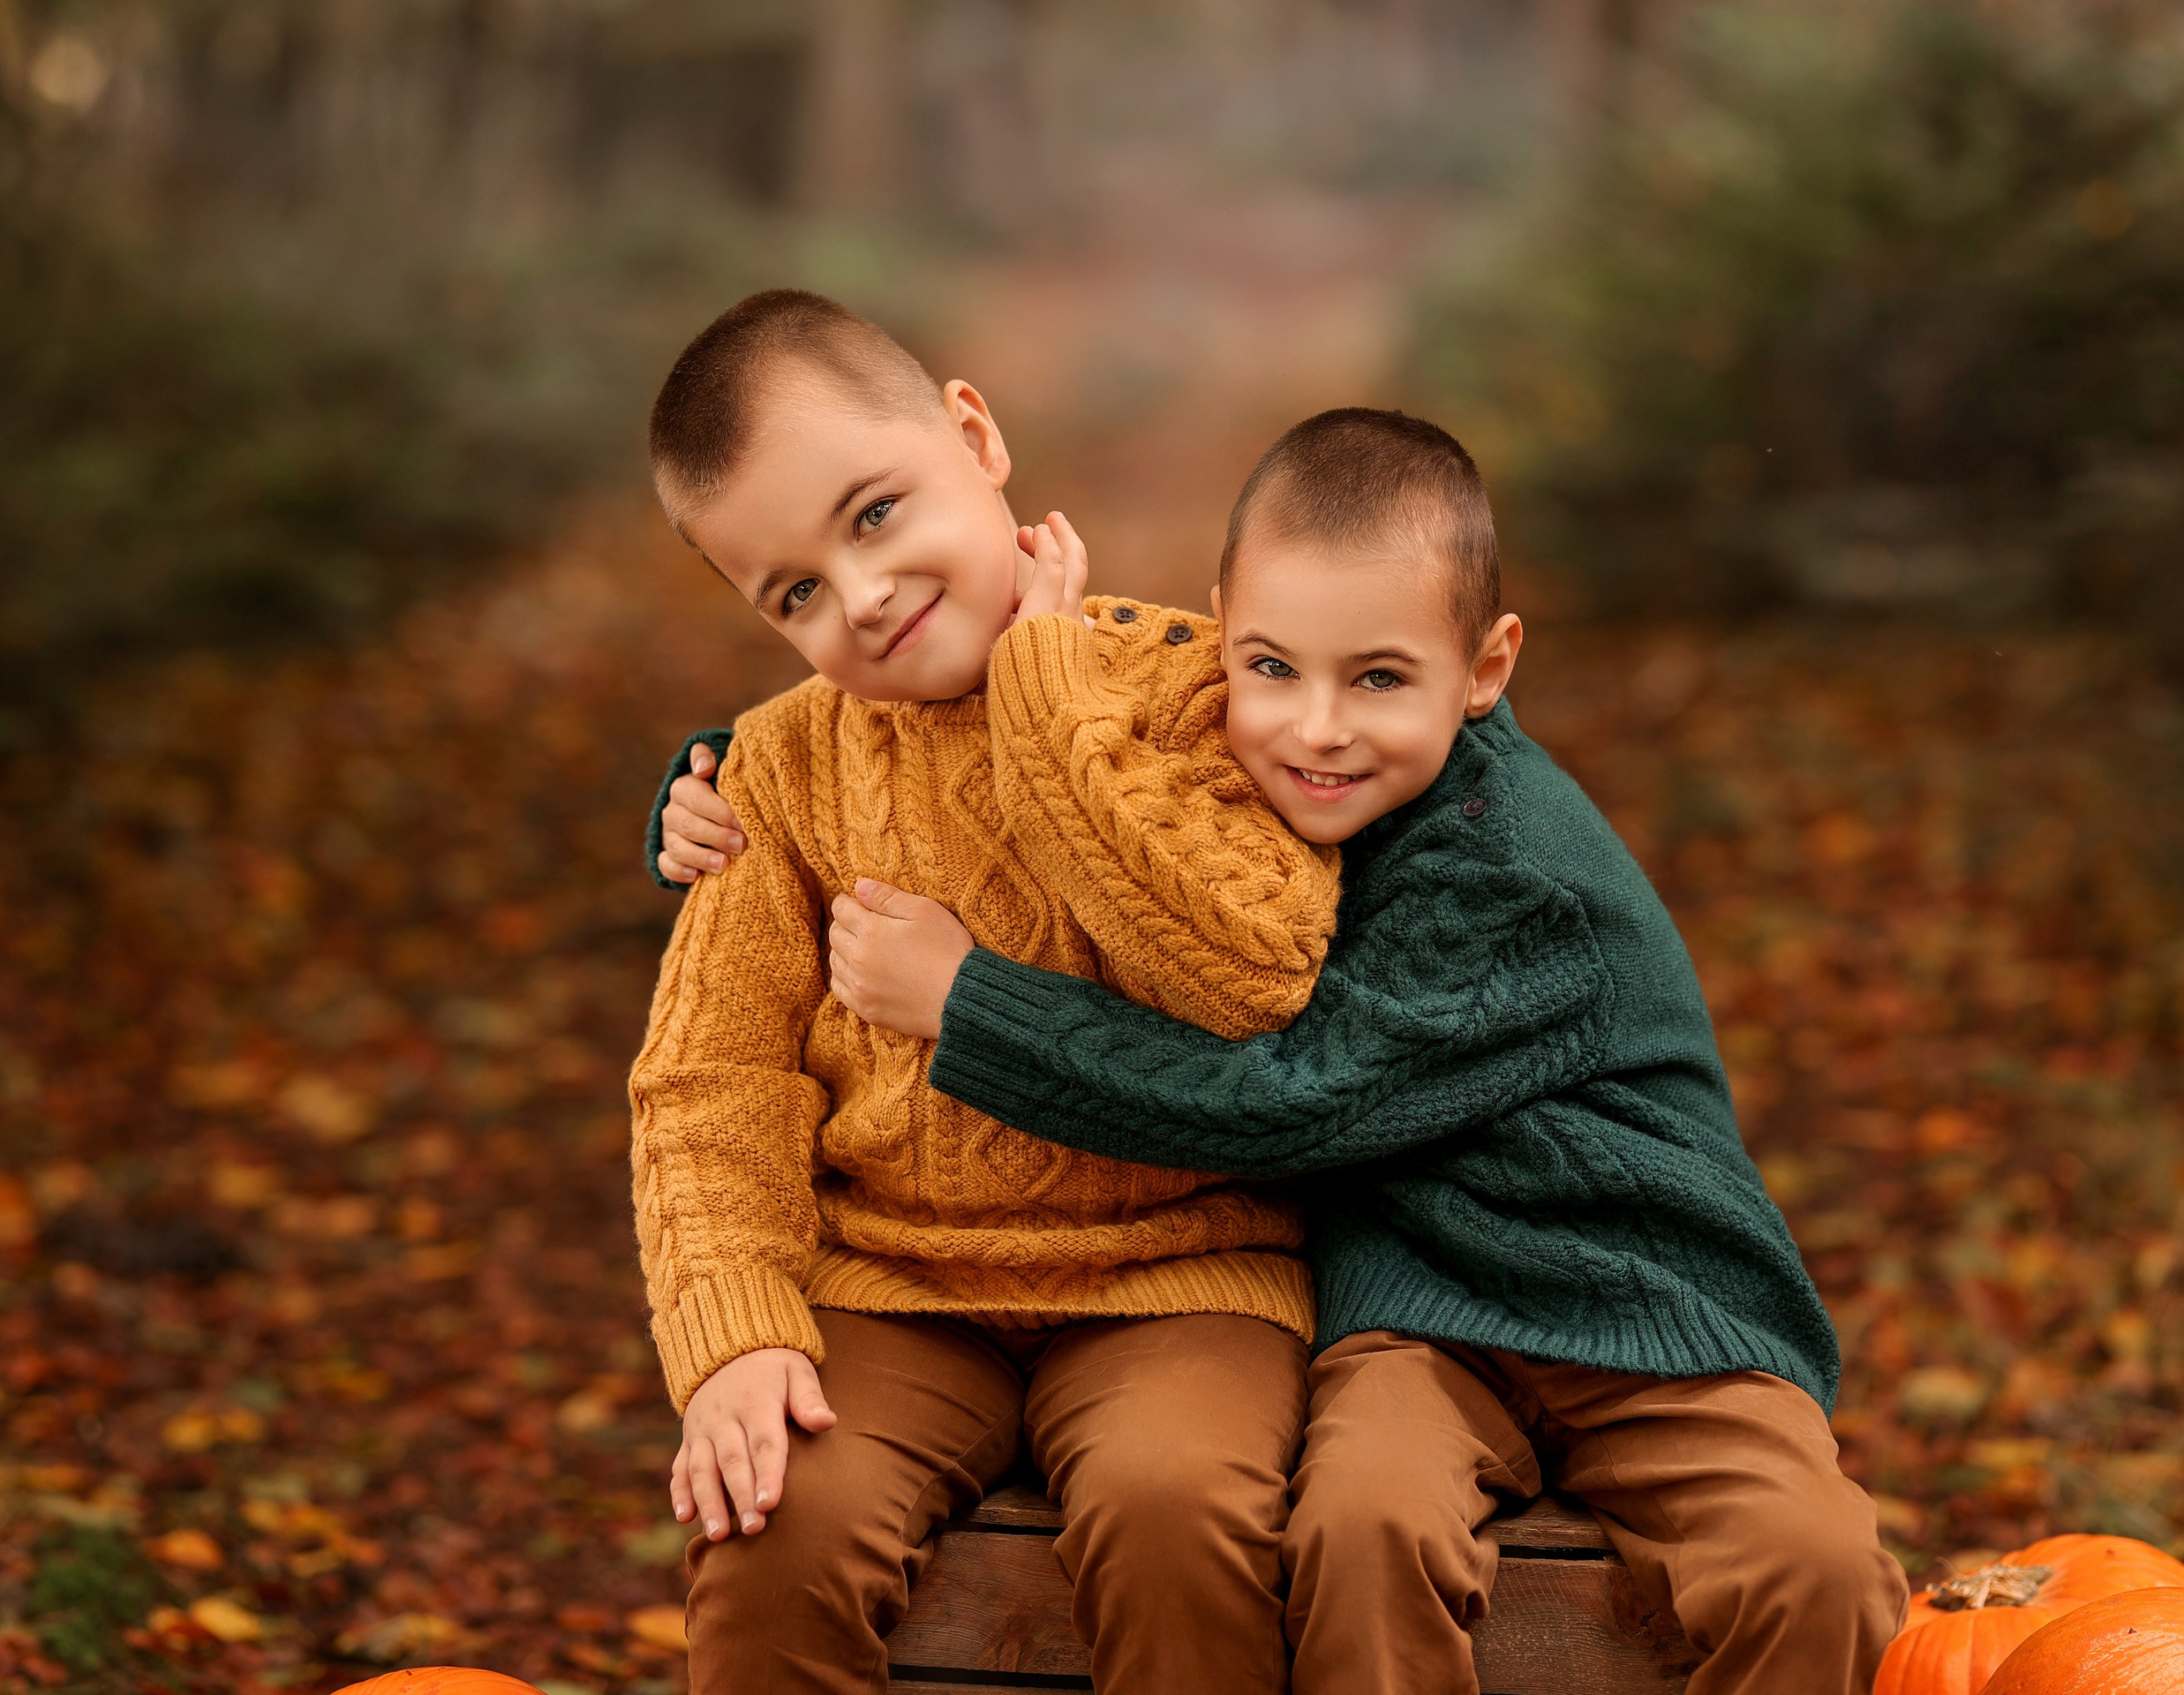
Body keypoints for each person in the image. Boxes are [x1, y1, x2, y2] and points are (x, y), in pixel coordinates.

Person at [654, 406, 1911, 1695]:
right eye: (1272, 671)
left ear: (1484, 671)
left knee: (1810, 1567)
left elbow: (1284, 1093)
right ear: (1227, 642)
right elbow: (916, 747)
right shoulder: (1235, 717)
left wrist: (973, 1002)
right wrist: (709, 777)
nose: (1314, 730)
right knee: (1360, 1528)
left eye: (1378, 678)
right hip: (1416, 1310)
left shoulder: (1509, 874)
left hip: (1650, 1305)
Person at [630, 288, 1349, 1695]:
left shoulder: (1194, 692)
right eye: (795, 594)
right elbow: (709, 1080)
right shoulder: (771, 776)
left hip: (1179, 1271)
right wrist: (732, 1335)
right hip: (891, 1285)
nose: (863, 598)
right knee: (776, 1525)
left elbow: (1247, 974)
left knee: (1179, 1512)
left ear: (974, 434)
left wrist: (1040, 698)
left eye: (876, 515)